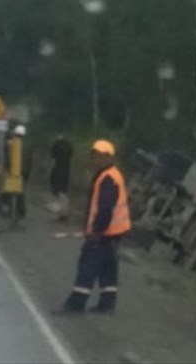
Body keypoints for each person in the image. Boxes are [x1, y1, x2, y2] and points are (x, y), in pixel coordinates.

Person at [59, 139, 131, 314]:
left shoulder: (108, 178)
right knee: (108, 267)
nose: (95, 161)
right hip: (114, 231)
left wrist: (96, 231)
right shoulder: (110, 175)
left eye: (100, 157)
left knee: (88, 265)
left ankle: (76, 304)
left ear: (109, 158)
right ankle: (107, 304)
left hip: (104, 232)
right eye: (94, 157)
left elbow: (105, 208)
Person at [48, 130, 73, 221]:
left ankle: (59, 214)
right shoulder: (69, 144)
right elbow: (71, 155)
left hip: (57, 170)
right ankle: (65, 212)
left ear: (58, 135)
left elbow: (53, 159)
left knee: (57, 193)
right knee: (64, 192)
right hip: (66, 171)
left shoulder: (56, 144)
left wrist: (50, 171)